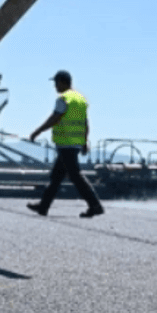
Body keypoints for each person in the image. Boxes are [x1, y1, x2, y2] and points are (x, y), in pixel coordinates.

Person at [26, 70, 105, 218]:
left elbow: (55, 118)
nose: (55, 87)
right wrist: (84, 141)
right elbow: (85, 123)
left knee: (76, 176)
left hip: (66, 143)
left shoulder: (63, 99)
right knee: (56, 177)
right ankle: (43, 207)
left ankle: (95, 205)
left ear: (63, 82)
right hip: (73, 144)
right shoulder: (80, 99)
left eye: (56, 83)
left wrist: (37, 131)